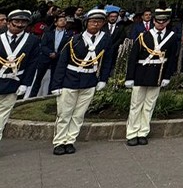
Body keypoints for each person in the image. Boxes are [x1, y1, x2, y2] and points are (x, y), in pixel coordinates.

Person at [51, 8, 114, 155]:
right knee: (64, 113)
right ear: (86, 23)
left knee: (79, 114)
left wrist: (103, 79)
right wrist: (56, 84)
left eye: (99, 21)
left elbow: (107, 60)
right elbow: (62, 62)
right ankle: (59, 142)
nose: (96, 24)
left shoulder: (106, 39)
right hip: (70, 79)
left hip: (89, 80)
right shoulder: (74, 39)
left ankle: (70, 140)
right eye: (93, 21)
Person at [124, 8, 179, 146]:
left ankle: (143, 132)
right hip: (141, 73)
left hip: (158, 74)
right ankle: (132, 133)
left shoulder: (171, 37)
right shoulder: (143, 36)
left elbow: (172, 58)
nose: (160, 23)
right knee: (136, 105)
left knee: (149, 105)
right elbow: (133, 58)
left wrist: (167, 76)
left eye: (163, 21)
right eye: (158, 21)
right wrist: (129, 77)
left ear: (167, 22)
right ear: (153, 21)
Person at [0, 9, 41, 145]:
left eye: (23, 22)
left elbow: (32, 64)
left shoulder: (32, 40)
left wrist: (25, 83)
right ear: (8, 22)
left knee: (2, 117)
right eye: (16, 21)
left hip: (13, 82)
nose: (19, 25)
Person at [31, 11, 72, 97]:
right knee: (38, 78)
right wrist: (50, 53)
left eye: (64, 20)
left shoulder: (69, 34)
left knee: (54, 78)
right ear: (56, 23)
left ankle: (50, 95)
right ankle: (32, 95)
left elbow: (67, 47)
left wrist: (57, 54)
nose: (63, 22)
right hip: (45, 57)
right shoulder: (48, 32)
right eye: (61, 20)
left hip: (58, 59)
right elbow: (43, 45)